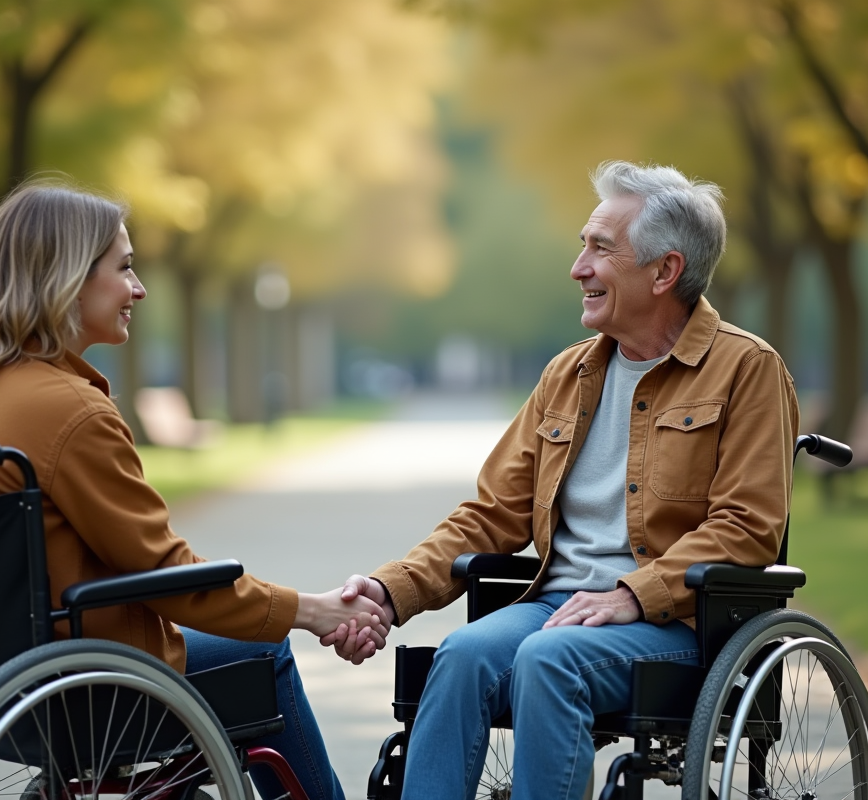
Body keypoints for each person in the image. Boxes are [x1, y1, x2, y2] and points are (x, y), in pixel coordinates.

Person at [0, 179, 388, 800]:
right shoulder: (70, 412)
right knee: (263, 656)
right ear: (69, 277)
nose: (139, 288)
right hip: (91, 688)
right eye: (124, 268)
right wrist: (308, 611)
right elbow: (168, 576)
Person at [331, 160, 799, 799]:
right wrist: (392, 592)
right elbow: (490, 515)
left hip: (682, 626)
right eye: (583, 245)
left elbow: (747, 528)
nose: (578, 267)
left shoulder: (747, 370)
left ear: (665, 271)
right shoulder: (568, 375)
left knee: (548, 662)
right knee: (464, 655)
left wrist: (635, 594)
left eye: (601, 249)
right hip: (557, 611)